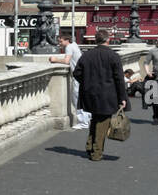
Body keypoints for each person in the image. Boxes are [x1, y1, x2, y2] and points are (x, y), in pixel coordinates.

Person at [73, 28, 127, 161]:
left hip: (90, 93)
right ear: (108, 40)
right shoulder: (113, 56)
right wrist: (122, 97)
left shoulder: (86, 55)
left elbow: (76, 73)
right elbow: (119, 79)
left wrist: (87, 83)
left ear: (96, 40)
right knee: (103, 122)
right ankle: (96, 152)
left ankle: (90, 146)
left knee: (95, 119)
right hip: (107, 94)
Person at [49, 34, 85, 128]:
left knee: (76, 99)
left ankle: (82, 122)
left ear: (67, 40)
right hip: (82, 74)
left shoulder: (69, 47)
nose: (59, 43)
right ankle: (86, 120)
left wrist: (55, 59)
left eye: (61, 41)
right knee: (81, 98)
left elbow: (66, 61)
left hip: (78, 75)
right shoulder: (74, 45)